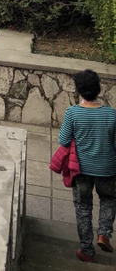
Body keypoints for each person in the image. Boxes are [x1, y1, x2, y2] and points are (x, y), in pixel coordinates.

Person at [58, 69, 116, 262]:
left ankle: (86, 251)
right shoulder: (111, 114)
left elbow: (64, 140)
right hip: (108, 169)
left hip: (81, 169)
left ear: (79, 90)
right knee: (108, 199)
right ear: (98, 89)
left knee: (83, 207)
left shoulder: (73, 113)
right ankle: (104, 233)